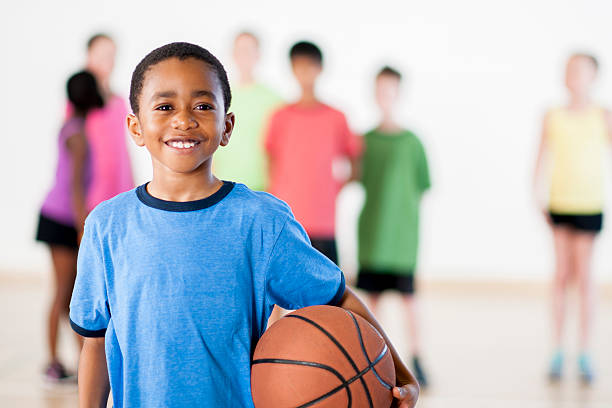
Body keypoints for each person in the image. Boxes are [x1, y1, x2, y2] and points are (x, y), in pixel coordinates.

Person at [69, 42, 419, 408]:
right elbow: (95, 344)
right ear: (136, 127)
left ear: (227, 125)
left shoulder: (261, 223)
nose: (184, 119)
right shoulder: (106, 226)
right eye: (165, 106)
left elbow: (339, 297)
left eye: (203, 106)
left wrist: (402, 375)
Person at [533, 53, 612, 383]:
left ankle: (583, 351)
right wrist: (536, 193)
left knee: (585, 276)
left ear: (593, 76)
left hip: (589, 203)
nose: (574, 76)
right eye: (570, 70)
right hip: (560, 202)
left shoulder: (602, 115)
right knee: (561, 275)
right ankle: (557, 350)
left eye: (581, 71)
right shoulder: (552, 115)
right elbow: (540, 155)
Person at [356, 66, 431, 387]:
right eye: (380, 90)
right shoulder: (364, 141)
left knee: (408, 301)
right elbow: (354, 177)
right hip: (372, 235)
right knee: (370, 304)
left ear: (399, 93)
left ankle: (417, 358)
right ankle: (371, 359)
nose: (385, 97)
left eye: (391, 90)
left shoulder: (412, 143)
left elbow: (423, 186)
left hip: (402, 239)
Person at [265, 41, 361, 265]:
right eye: (299, 67)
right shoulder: (280, 117)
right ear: (291, 70)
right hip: (288, 221)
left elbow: (355, 162)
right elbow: (271, 162)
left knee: (329, 293)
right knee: (285, 293)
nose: (304, 73)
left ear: (320, 69)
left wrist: (332, 189)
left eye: (310, 67)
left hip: (324, 221)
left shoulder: (337, 117)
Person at [36, 70, 104, 382]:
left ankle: (78, 360)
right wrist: (83, 228)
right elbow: (76, 188)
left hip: (57, 216)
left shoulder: (72, 127)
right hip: (61, 220)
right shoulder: (77, 134)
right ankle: (53, 362)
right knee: (64, 293)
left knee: (66, 295)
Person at [69, 33, 134, 210]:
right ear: (89, 55)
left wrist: (133, 187)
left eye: (112, 55)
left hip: (120, 191)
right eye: (101, 54)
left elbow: (123, 150)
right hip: (91, 196)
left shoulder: (119, 102)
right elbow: (72, 158)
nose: (108, 60)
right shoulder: (77, 103)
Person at [213, 31, 282, 191]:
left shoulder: (275, 100)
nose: (244, 56)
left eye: (249, 50)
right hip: (222, 186)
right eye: (240, 50)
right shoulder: (218, 97)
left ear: (258, 55)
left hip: (263, 187)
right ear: (233, 54)